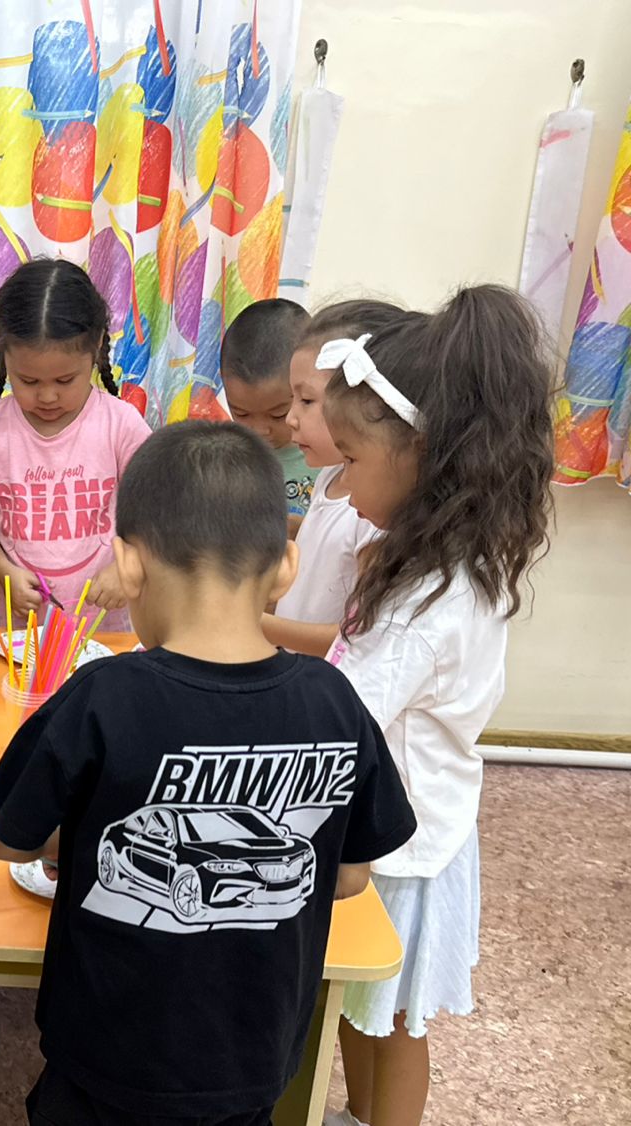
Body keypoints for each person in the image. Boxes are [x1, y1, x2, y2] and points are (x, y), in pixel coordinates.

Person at [0, 420, 417, 1126]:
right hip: (253, 1059)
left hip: (106, 1054)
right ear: (286, 567)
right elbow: (349, 878)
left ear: (127, 565)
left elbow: (7, 840)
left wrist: (84, 837)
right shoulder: (334, 700)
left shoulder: (103, 696)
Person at [321, 287, 553, 1126]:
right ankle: (355, 1113)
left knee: (391, 1021)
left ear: (419, 453)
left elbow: (346, 712)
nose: (339, 484)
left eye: (350, 459)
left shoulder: (430, 600)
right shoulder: (426, 559)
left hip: (404, 847)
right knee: (359, 1007)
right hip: (395, 823)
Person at [0, 258, 151, 630]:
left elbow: (158, 520)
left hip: (106, 635)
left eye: (65, 380)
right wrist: (5, 572)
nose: (47, 396)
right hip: (23, 638)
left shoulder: (122, 425)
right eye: (28, 381)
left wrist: (130, 563)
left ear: (97, 347)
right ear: (3, 354)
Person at [261, 301, 401, 657]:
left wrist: (254, 623)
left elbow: (356, 639)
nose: (291, 418)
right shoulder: (330, 474)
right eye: (292, 399)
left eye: (307, 400)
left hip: (325, 680)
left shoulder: (375, 512)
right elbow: (326, 543)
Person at [221, 298, 316, 523]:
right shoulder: (223, 459)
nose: (259, 430)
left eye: (277, 415)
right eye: (241, 413)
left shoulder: (330, 457)